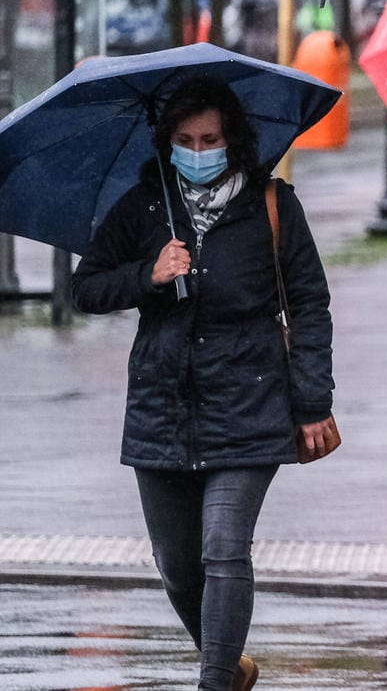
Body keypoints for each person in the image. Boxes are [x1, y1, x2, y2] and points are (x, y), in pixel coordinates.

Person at [72, 77, 337, 691]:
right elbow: (86, 289)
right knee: (178, 567)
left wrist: (312, 401)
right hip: (161, 408)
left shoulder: (272, 204)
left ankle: (213, 681)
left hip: (250, 404)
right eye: (186, 140)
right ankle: (228, 661)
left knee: (223, 548)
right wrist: (148, 274)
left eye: (210, 138)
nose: (198, 149)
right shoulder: (143, 207)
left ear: (233, 140)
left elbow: (310, 305)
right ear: (168, 144)